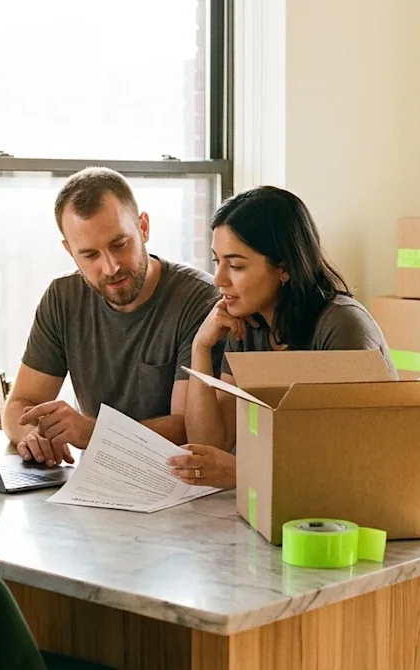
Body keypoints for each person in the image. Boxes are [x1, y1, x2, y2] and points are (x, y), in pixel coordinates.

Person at [167, 185, 403, 491]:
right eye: (217, 262)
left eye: (236, 265)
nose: (219, 279)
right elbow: (211, 446)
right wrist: (201, 346)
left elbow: (350, 459)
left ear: (284, 268)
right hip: (306, 503)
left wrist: (243, 472)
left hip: (384, 495)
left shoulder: (342, 325)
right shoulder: (247, 327)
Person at [4, 167, 224, 467]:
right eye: (90, 255)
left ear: (143, 227)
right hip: (101, 481)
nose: (110, 267)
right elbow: (20, 404)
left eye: (119, 245)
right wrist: (32, 435)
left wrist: (92, 433)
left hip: (179, 480)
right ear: (70, 251)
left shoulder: (200, 301)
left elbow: (187, 429)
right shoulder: (62, 298)